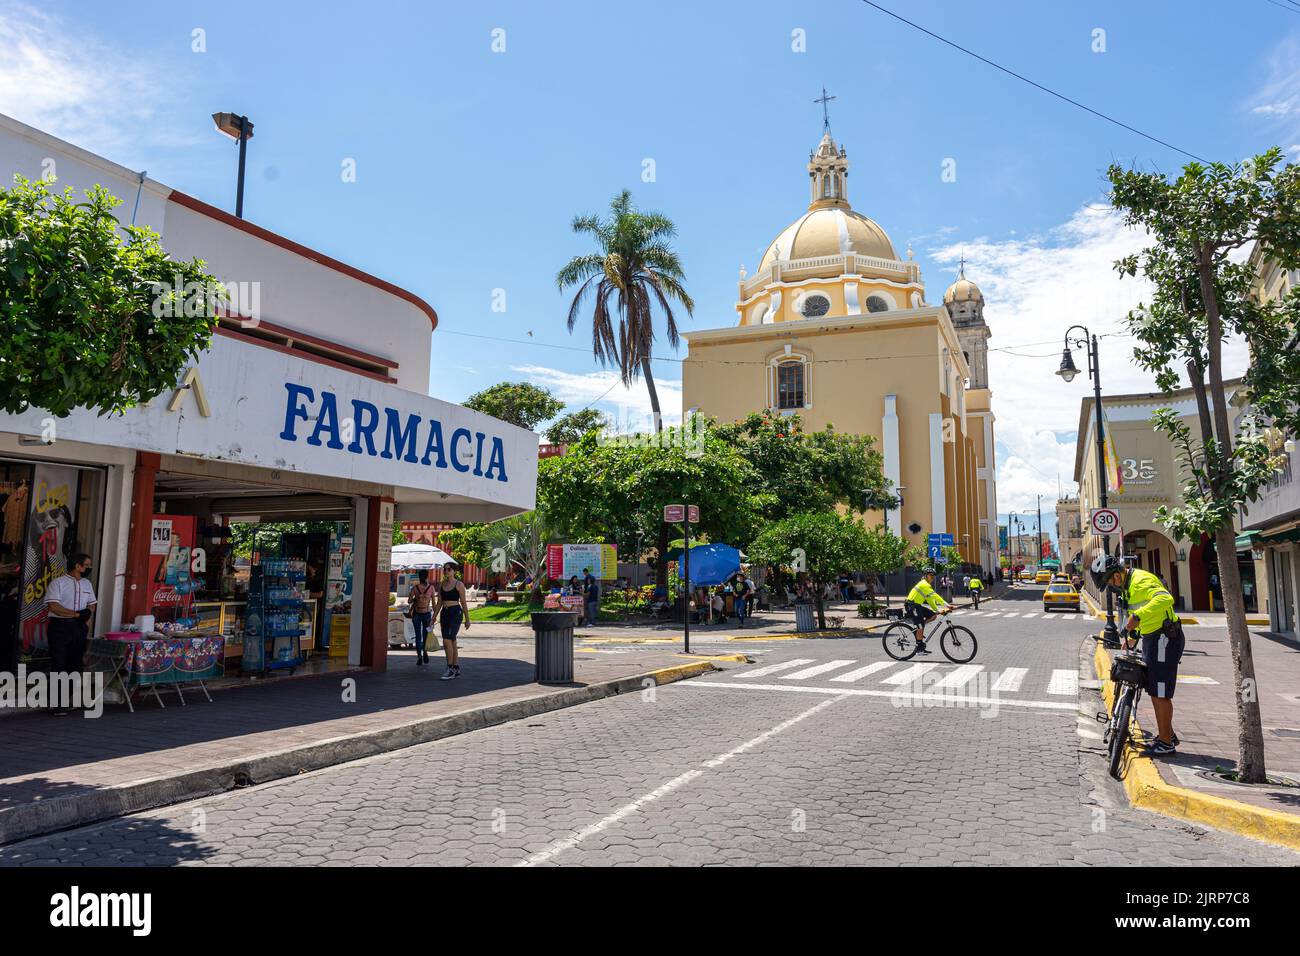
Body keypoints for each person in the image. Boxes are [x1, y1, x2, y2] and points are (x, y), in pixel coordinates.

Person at [1091, 552, 1182, 755]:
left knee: (1160, 692)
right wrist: (1134, 636)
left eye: (1111, 583)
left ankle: (1166, 744)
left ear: (1117, 574)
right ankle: (1168, 733)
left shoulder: (1140, 581)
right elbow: (1144, 613)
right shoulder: (1129, 588)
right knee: (1153, 688)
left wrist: (1138, 617)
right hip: (1153, 638)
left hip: (1164, 638)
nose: (1113, 588)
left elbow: (1165, 599)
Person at [45, 552, 96, 679]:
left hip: (79, 628)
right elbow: (54, 607)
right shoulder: (58, 583)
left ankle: (69, 695)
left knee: (75, 664)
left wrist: (87, 612)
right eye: (87, 565)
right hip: (60, 628)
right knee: (59, 663)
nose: (89, 568)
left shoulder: (87, 584)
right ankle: (56, 697)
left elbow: (92, 604)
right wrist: (77, 614)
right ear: (77, 566)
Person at [432, 562, 470, 680]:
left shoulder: (459, 585)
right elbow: (439, 603)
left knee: (446, 640)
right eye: (445, 569)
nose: (446, 571)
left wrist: (467, 619)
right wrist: (434, 617)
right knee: (452, 640)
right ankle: (456, 667)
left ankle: (450, 668)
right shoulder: (442, 584)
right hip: (445, 613)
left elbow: (463, 602)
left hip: (455, 613)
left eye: (449, 569)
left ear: (454, 571)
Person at [904, 568, 950, 656]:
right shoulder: (924, 584)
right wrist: (946, 605)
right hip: (912, 606)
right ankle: (919, 649)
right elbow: (935, 596)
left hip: (917, 606)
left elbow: (930, 599)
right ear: (925, 576)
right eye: (930, 575)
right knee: (920, 626)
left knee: (933, 616)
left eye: (933, 576)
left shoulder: (927, 585)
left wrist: (936, 610)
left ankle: (919, 628)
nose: (932, 577)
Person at [407, 570, 437, 666]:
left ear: (419, 578)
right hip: (427, 614)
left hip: (416, 614)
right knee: (425, 635)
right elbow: (434, 603)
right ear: (427, 577)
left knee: (418, 636)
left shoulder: (415, 588)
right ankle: (425, 652)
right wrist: (435, 615)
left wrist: (416, 598)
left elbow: (409, 601)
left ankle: (419, 656)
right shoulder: (431, 588)